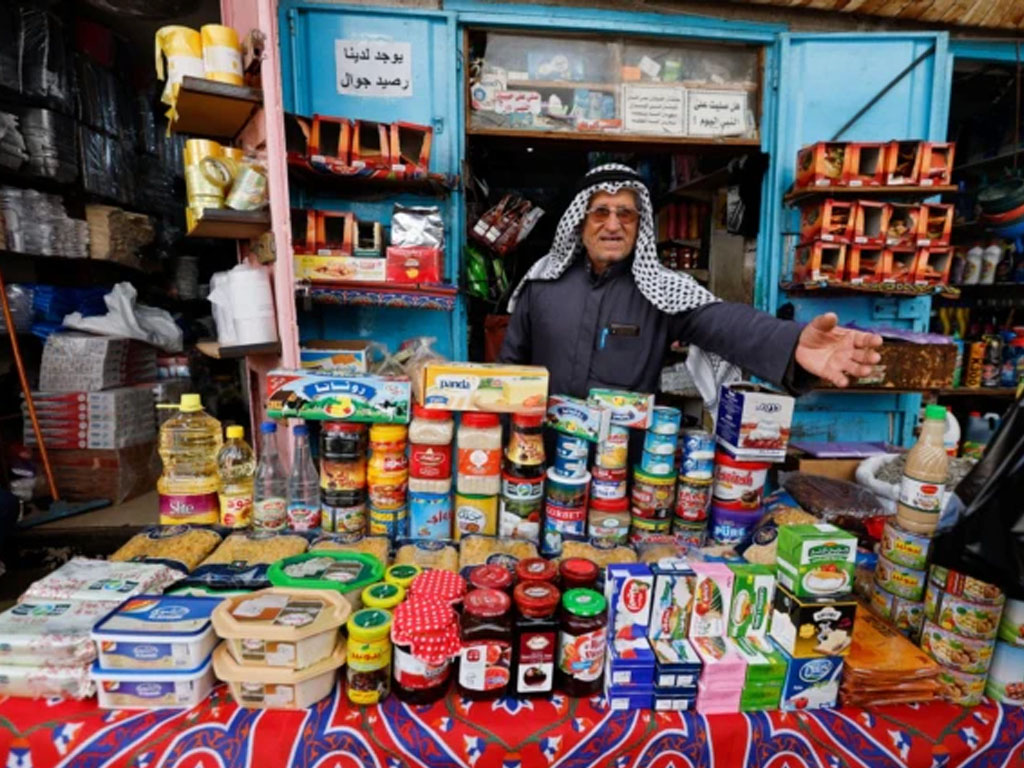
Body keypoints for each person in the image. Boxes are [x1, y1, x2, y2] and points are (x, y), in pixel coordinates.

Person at [499, 164, 883, 404]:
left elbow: (724, 323)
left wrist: (792, 342)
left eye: (626, 215)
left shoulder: (661, 289)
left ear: (641, 225)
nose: (613, 224)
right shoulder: (541, 282)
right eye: (600, 212)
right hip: (541, 453)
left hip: (624, 469)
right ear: (580, 222)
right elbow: (510, 370)